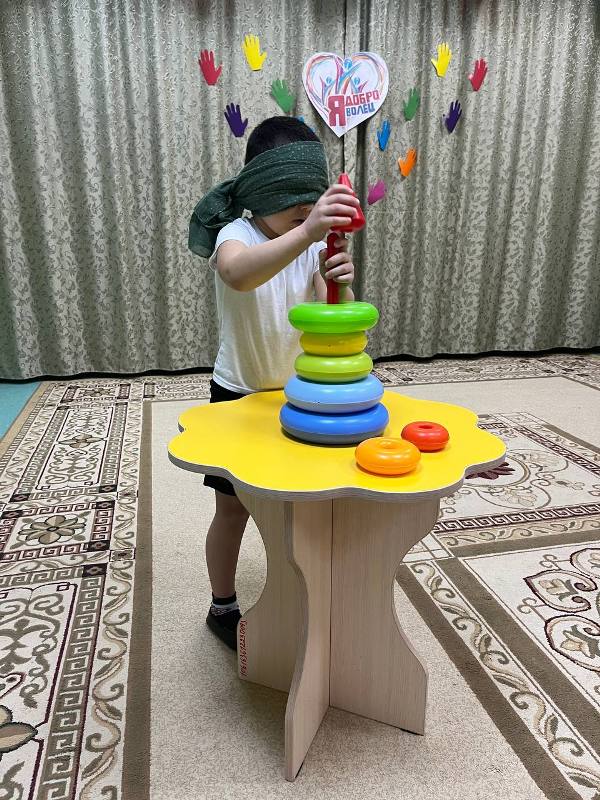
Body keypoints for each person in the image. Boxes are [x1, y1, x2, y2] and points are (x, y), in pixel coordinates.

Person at [188, 116, 360, 650]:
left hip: (298, 396)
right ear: (261, 191)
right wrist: (306, 233)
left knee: (303, 502)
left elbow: (331, 320)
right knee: (232, 508)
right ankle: (222, 605)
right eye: (294, 206)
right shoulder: (235, 235)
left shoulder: (309, 242)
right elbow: (238, 274)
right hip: (237, 394)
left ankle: (305, 587)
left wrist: (338, 285)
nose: (305, 215)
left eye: (311, 206)